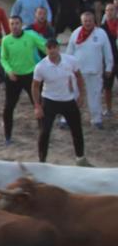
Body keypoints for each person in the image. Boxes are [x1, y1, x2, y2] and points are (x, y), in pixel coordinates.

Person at [33, 37, 89, 165]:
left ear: (58, 48)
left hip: (68, 100)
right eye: (49, 48)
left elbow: (79, 77)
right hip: (49, 100)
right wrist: (37, 105)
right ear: (46, 50)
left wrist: (81, 95)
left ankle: (80, 159)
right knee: (45, 132)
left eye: (54, 47)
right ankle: (42, 161)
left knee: (77, 130)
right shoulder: (40, 66)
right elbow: (35, 86)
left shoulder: (71, 61)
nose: (52, 51)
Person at [0, 15, 47, 145]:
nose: (14, 26)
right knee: (9, 107)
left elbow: (45, 46)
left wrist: (54, 56)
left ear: (21, 24)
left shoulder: (31, 35)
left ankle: (43, 134)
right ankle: (7, 136)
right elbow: (3, 58)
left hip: (31, 76)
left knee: (38, 104)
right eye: (12, 24)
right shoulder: (6, 40)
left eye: (17, 23)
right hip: (14, 77)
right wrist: (9, 71)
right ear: (9, 26)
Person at [65, 11, 113, 130]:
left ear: (94, 21)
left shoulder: (101, 34)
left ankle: (96, 120)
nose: (87, 23)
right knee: (72, 95)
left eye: (90, 21)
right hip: (77, 72)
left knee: (95, 96)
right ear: (82, 22)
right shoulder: (76, 33)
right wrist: (66, 67)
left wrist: (109, 67)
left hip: (94, 71)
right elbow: (69, 52)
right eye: (85, 21)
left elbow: (107, 52)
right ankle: (67, 119)